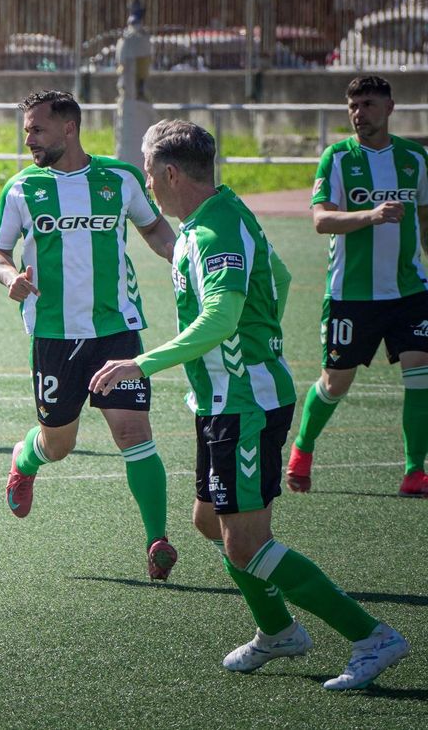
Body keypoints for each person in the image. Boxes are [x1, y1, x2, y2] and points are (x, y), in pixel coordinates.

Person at [93, 119, 410, 690]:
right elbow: (280, 275)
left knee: (245, 541)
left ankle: (371, 636)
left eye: (147, 171)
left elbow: (222, 318)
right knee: (210, 522)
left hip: (245, 403)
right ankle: (278, 631)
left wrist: (142, 364)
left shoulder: (215, 232)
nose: (145, 182)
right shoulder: (205, 221)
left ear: (168, 173)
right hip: (220, 399)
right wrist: (264, 335)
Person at [0, 90, 179, 579]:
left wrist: (184, 261)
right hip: (53, 333)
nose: (28, 138)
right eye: (26, 130)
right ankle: (25, 461)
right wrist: (12, 279)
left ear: (68, 128)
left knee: (133, 432)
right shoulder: (22, 188)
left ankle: (157, 539)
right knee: (59, 444)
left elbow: (154, 229)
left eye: (36, 129)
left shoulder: (120, 177)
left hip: (117, 329)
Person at [286, 75, 427, 496]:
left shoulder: (415, 158)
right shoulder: (336, 157)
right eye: (353, 106)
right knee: (335, 383)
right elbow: (321, 220)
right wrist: (371, 215)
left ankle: (413, 471)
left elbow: (426, 221)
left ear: (389, 107)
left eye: (367, 104)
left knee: (420, 375)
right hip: (352, 295)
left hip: (409, 291)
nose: (358, 113)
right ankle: (302, 450)